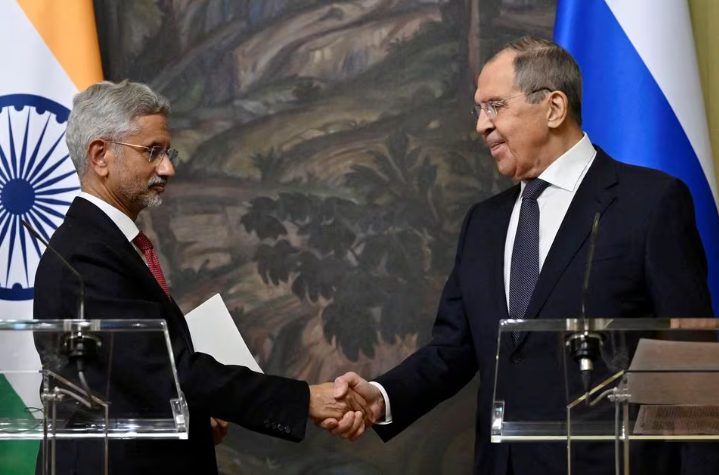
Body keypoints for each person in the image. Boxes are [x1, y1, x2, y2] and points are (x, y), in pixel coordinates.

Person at [325, 37, 717, 474]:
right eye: (479, 110)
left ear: (552, 108)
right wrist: (381, 396)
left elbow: (689, 364)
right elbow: (453, 349)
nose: (481, 125)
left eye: (494, 105)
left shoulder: (650, 201)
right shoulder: (483, 223)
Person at [32, 80, 369, 475]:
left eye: (168, 152)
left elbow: (133, 380)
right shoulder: (86, 255)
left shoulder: (103, 244)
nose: (168, 168)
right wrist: (304, 399)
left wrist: (191, 414)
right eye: (152, 152)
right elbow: (168, 371)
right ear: (101, 155)